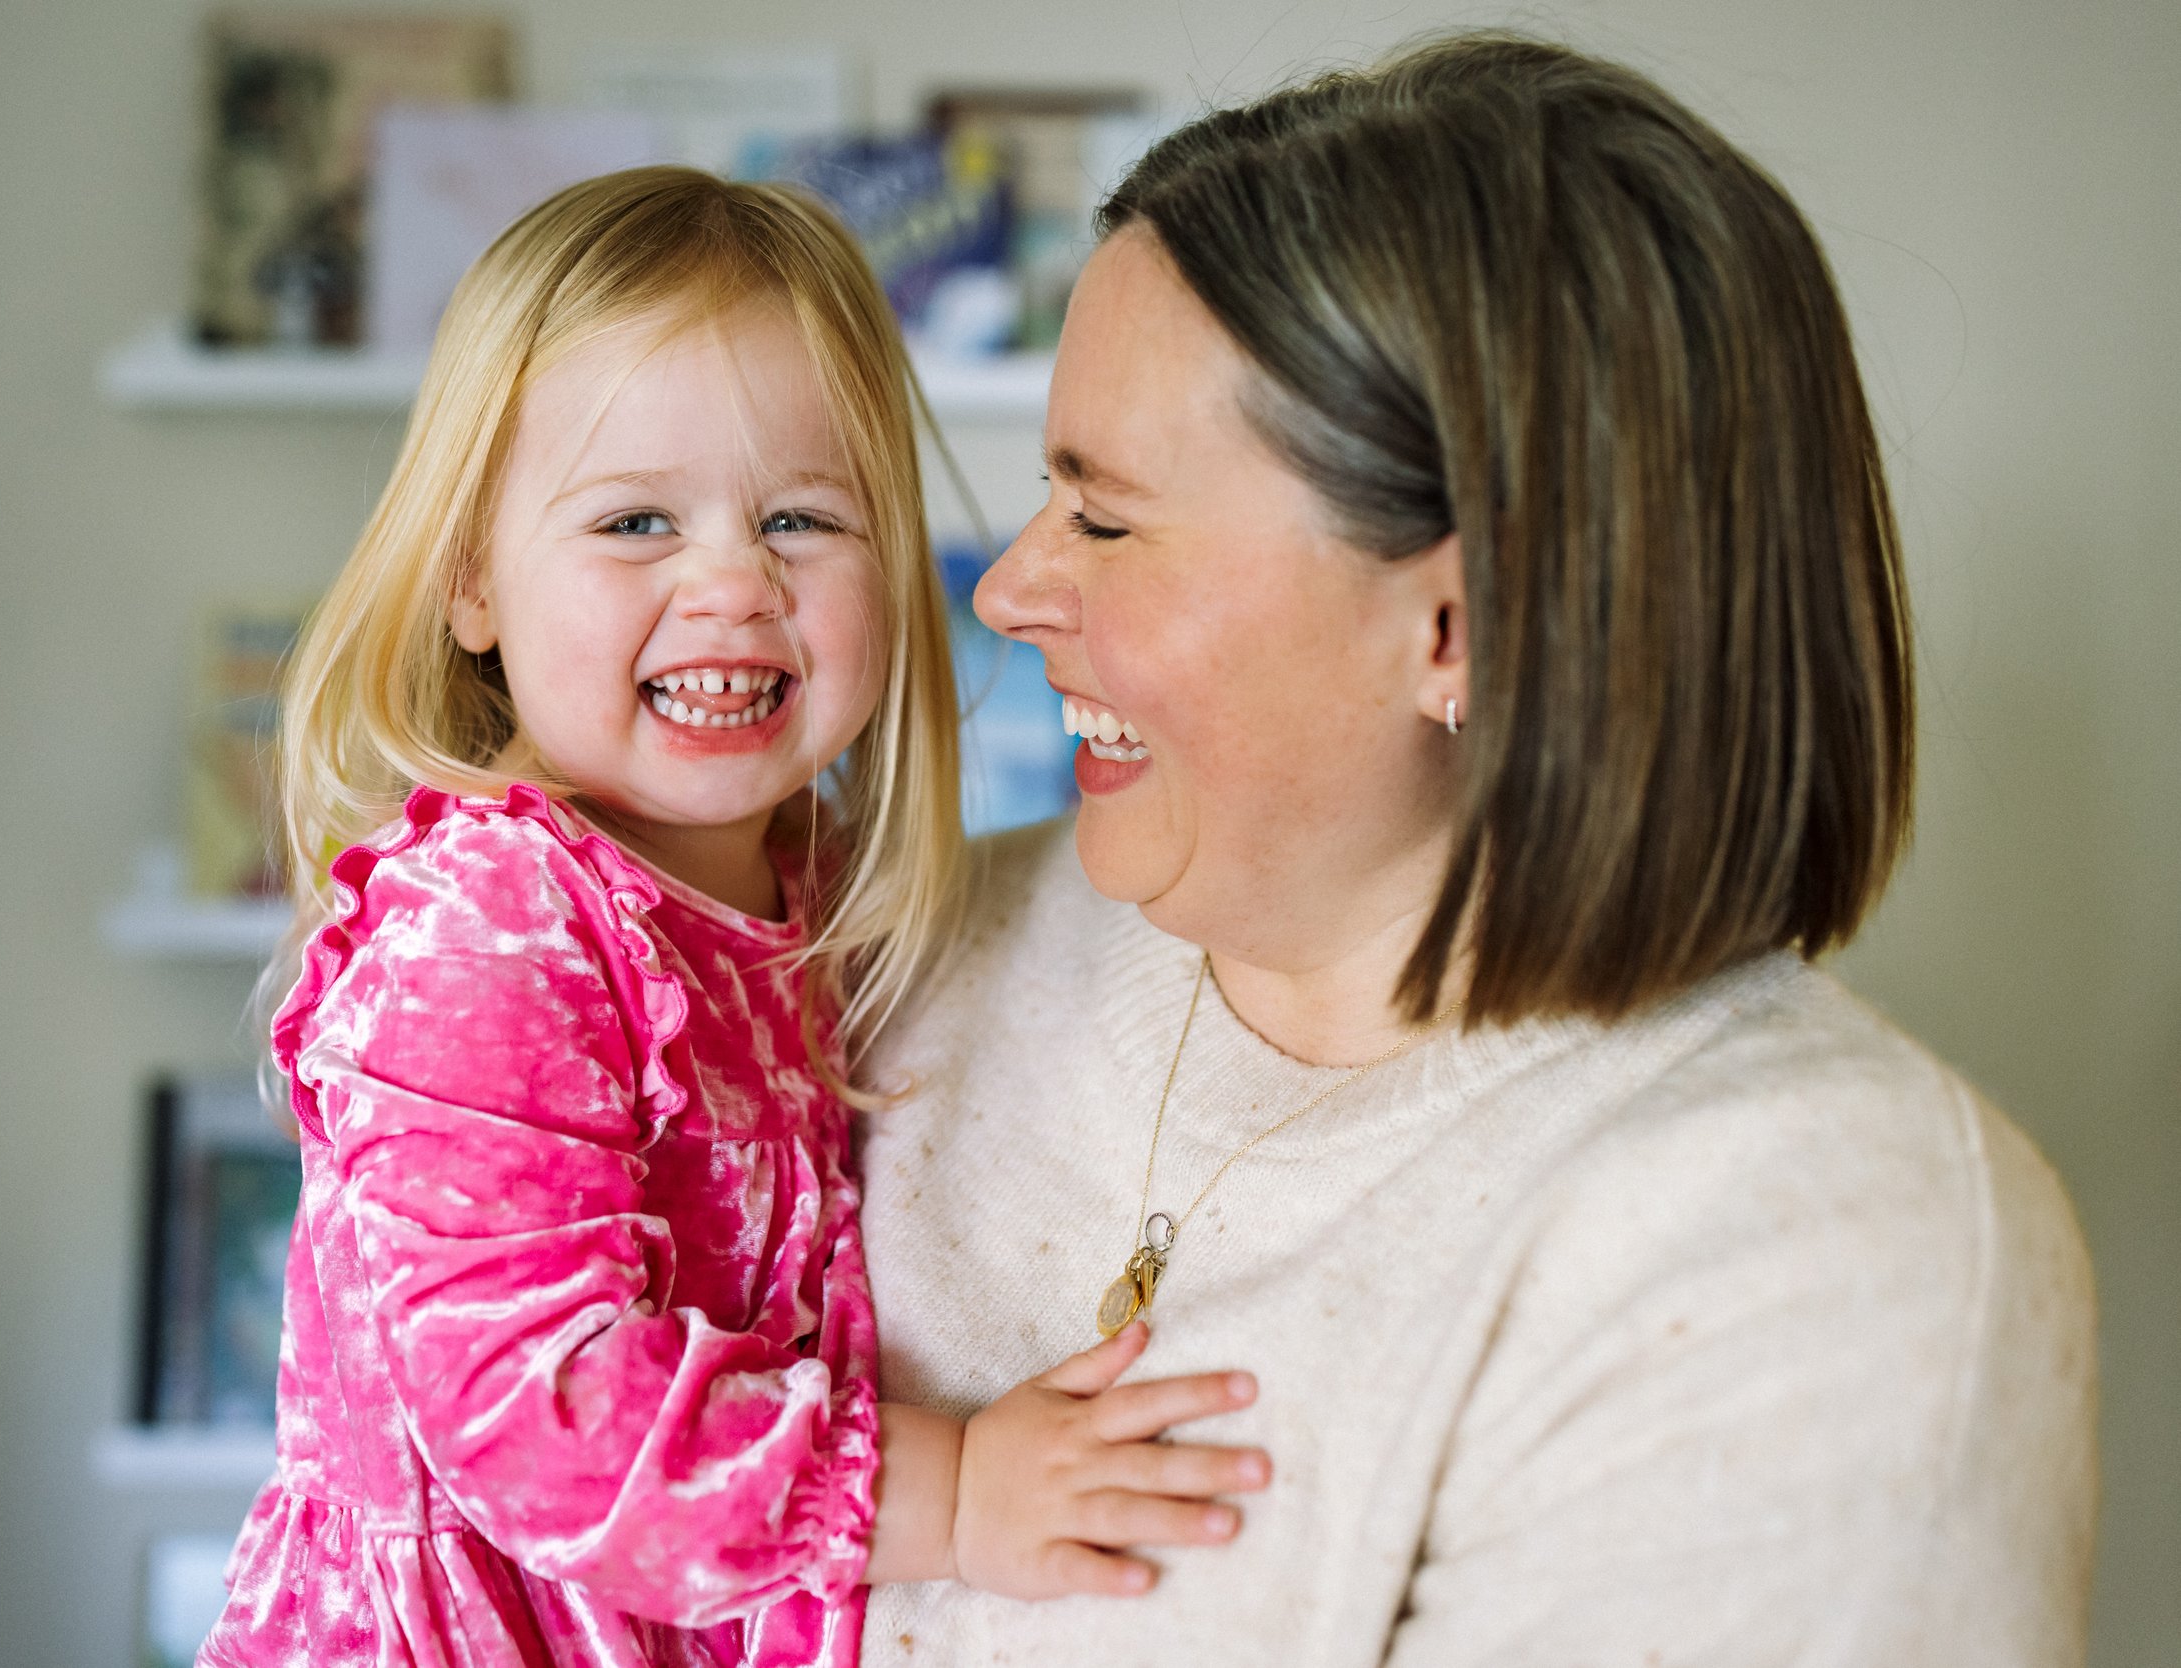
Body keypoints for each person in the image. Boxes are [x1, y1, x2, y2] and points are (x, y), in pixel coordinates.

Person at [858, 35, 2096, 1668]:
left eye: (1104, 516)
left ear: (1459, 626)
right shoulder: (891, 954)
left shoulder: (1822, 1248)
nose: (1011, 590)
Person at [198, 170, 1269, 1668]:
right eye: (636, 521)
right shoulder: (487, 920)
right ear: (471, 583)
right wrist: (949, 1491)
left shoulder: (810, 886)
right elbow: (544, 1412)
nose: (730, 587)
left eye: (800, 520)